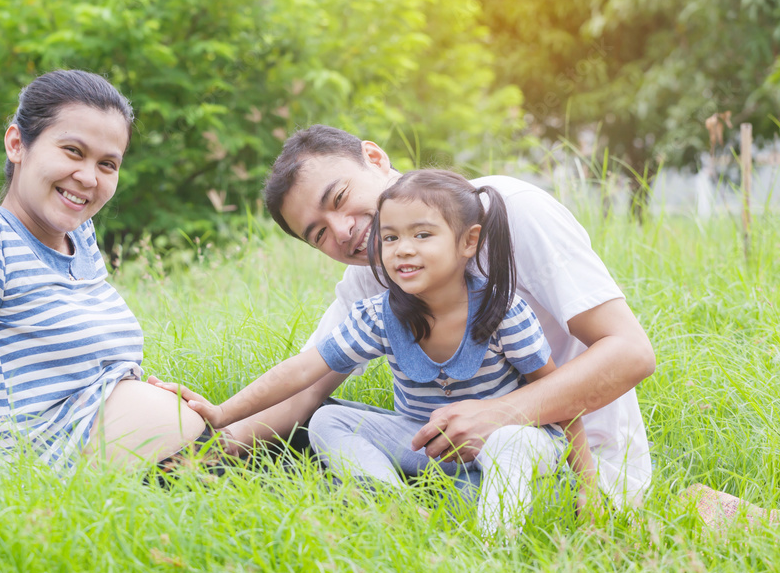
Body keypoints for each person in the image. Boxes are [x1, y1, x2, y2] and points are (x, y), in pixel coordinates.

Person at [220, 125, 655, 509]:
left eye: (339, 198)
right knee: (311, 433)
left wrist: (501, 413)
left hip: (570, 467)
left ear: (374, 158)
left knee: (506, 454)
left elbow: (631, 353)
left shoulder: (510, 210)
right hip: (442, 466)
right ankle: (399, 514)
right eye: (318, 234)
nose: (341, 231)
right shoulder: (377, 273)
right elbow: (304, 387)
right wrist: (206, 446)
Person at [174, 170, 598, 534]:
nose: (403, 248)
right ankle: (399, 511)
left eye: (423, 234)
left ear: (468, 242)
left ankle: (496, 544)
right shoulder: (377, 316)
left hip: (510, 447)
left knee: (511, 441)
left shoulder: (502, 311)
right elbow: (302, 371)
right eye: (391, 236)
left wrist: (589, 486)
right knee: (328, 418)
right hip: (427, 449)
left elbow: (561, 401)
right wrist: (222, 413)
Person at [0, 69, 205, 470]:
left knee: (305, 420)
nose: (89, 177)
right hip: (70, 489)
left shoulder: (80, 238)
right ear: (17, 144)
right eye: (73, 151)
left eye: (108, 164)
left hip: (166, 469)